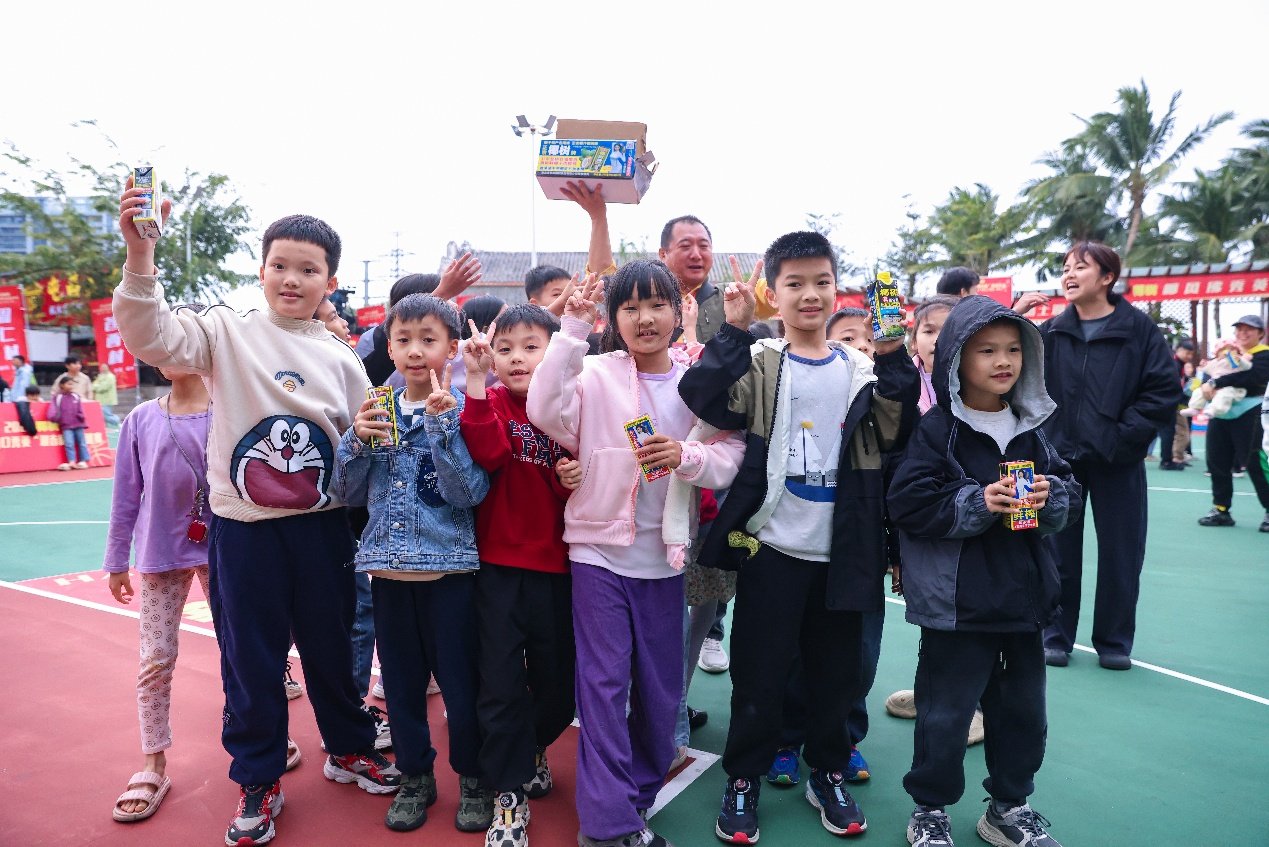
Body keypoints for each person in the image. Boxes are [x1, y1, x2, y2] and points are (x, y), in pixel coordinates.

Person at [115, 185, 399, 847]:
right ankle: (258, 776)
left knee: (333, 649)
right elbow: (150, 334)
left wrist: (372, 440)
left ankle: (348, 746)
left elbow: (366, 444)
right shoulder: (225, 330)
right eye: (280, 265)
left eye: (308, 269)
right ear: (262, 269)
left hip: (324, 529)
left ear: (329, 281)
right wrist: (140, 256)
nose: (291, 279)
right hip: (243, 532)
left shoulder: (343, 359)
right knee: (251, 661)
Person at [678, 231, 919, 844]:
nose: (810, 294)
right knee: (758, 673)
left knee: (837, 676)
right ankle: (743, 778)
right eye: (795, 283)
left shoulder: (861, 368)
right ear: (773, 293)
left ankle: (828, 772)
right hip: (772, 551)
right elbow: (703, 396)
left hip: (846, 554)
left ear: (836, 289)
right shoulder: (762, 361)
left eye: (821, 282)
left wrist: (893, 351)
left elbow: (898, 429)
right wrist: (733, 330)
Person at [527, 265, 744, 847]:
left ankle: (636, 796)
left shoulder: (696, 382)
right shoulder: (594, 371)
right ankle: (608, 824)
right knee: (602, 686)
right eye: (630, 307)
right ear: (613, 318)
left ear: (678, 311)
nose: (644, 319)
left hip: (664, 558)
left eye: (656, 305)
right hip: (597, 551)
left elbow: (732, 451)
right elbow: (545, 410)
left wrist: (688, 458)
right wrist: (571, 330)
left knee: (661, 690)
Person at [887, 295, 1080, 847]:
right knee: (945, 716)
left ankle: (1009, 807)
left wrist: (1050, 495)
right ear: (955, 359)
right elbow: (908, 502)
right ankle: (930, 809)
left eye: (1014, 350)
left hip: (1023, 602)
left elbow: (1069, 490)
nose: (1003, 361)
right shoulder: (937, 430)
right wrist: (977, 502)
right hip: (958, 607)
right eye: (987, 350)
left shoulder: (1031, 428)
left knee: (1023, 715)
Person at [337, 293, 493, 834]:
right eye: (403, 340)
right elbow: (347, 493)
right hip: (388, 575)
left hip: (450, 575)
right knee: (401, 689)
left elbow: (468, 493)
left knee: (460, 687)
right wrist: (356, 442)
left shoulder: (462, 409)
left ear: (452, 348)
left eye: (429, 340)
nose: (415, 351)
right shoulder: (375, 409)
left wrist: (442, 427)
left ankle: (472, 777)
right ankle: (414, 777)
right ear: (389, 347)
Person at [459, 304, 581, 847]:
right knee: (501, 684)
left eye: (531, 347)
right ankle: (507, 794)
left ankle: (533, 745)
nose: (517, 358)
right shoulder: (490, 403)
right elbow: (488, 454)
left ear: (554, 353)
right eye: (505, 348)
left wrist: (568, 480)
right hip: (498, 570)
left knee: (558, 687)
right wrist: (474, 381)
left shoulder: (569, 408)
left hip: (559, 569)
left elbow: (579, 486)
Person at [1038, 242, 1179, 671]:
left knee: (1121, 554)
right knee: (1056, 552)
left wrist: (1120, 439)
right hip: (1060, 463)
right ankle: (1054, 636)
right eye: (1065, 267)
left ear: (1107, 277)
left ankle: (1114, 642)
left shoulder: (1139, 330)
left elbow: (1162, 392)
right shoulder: (1049, 333)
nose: (1069, 275)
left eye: (1080, 267)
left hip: (1119, 461)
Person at [104, 363, 218, 822]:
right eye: (164, 340)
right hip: (159, 554)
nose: (174, 350)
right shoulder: (141, 419)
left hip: (225, 552)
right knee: (155, 658)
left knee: (242, 653)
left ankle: (263, 733)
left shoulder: (230, 411)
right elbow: (125, 493)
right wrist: (116, 559)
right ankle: (153, 760)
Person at [1197, 315, 1269, 532]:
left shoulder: (1264, 355)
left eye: (1249, 329)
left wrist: (1216, 382)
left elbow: (1253, 379)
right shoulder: (1227, 353)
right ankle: (1221, 510)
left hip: (1251, 411)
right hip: (1221, 412)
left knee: (1256, 462)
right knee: (1217, 461)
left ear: (1260, 333)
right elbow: (1209, 375)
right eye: (1239, 329)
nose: (1243, 333)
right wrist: (1207, 386)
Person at [911, 296, 961, 415]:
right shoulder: (902, 381)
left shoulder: (975, 380)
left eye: (948, 331)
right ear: (914, 341)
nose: (938, 340)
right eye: (929, 331)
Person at [1161, 338, 1197, 469]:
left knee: (1170, 432)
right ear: (1179, 350)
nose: (1189, 356)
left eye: (1191, 354)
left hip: (1171, 402)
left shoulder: (1179, 364)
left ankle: (1171, 459)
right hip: (1168, 403)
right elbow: (1171, 385)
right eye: (1187, 353)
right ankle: (1167, 461)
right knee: (1168, 432)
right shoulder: (1174, 364)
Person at [48, 375, 90, 470]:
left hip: (78, 424)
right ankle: (72, 461)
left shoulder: (76, 396)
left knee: (82, 443)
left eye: (72, 384)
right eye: (69, 384)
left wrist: (81, 417)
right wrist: (55, 418)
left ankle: (83, 461)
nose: (71, 386)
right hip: (66, 425)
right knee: (69, 443)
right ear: (62, 385)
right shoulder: (57, 397)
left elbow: (80, 409)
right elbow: (54, 409)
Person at [93, 362, 122, 427]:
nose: (103, 368)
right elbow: (93, 385)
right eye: (102, 367)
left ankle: (118, 422)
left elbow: (103, 387)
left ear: (108, 368)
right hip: (100, 399)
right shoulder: (100, 376)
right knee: (103, 415)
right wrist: (96, 386)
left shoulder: (110, 376)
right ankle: (110, 427)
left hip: (107, 400)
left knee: (107, 415)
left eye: (104, 367)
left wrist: (96, 386)